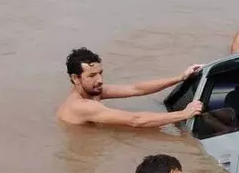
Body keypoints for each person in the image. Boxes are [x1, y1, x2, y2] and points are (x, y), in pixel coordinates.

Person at [56, 47, 204, 128]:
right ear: (76, 78)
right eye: (92, 75)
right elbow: (135, 120)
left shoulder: (93, 91)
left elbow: (135, 89)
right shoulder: (81, 106)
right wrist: (183, 114)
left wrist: (180, 77)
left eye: (100, 73)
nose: (100, 80)